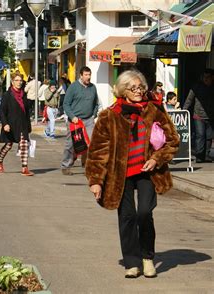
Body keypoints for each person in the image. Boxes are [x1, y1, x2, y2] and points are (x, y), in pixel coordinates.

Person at [85, 70, 179, 279]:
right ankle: (132, 262)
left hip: (148, 172)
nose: (138, 91)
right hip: (121, 174)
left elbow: (173, 140)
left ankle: (147, 257)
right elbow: (99, 150)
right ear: (122, 90)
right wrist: (96, 181)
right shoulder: (110, 115)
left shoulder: (154, 109)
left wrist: (156, 159)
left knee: (144, 212)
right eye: (133, 88)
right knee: (127, 216)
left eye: (141, 87)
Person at [61, 66, 99, 175]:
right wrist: (72, 116)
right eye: (86, 75)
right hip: (75, 121)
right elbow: (66, 104)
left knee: (90, 143)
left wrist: (94, 114)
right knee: (71, 144)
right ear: (81, 76)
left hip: (88, 120)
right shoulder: (73, 87)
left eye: (89, 75)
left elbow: (96, 103)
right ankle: (66, 165)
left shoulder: (93, 87)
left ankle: (87, 165)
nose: (88, 77)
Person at [0, 72, 34, 176]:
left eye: (21, 80)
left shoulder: (24, 95)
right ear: (12, 82)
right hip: (10, 124)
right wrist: (5, 124)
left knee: (24, 144)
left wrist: (29, 126)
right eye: (17, 80)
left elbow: (26, 110)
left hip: (22, 124)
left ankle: (24, 168)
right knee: (8, 145)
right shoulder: (7, 95)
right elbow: (2, 111)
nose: (19, 82)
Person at [183, 69, 214, 163]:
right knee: (200, 135)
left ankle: (207, 155)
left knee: (209, 136)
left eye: (208, 77)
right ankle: (199, 156)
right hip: (198, 115)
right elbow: (189, 99)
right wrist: (184, 110)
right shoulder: (196, 86)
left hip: (211, 116)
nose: (205, 79)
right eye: (204, 77)